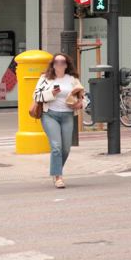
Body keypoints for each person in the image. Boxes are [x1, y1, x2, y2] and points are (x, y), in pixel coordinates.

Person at [33, 52, 84, 189]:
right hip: (50, 115)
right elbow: (36, 95)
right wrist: (52, 93)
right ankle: (58, 177)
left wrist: (80, 104)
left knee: (66, 148)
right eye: (56, 62)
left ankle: (56, 170)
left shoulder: (73, 79)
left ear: (67, 65)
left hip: (67, 115)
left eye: (62, 62)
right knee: (56, 146)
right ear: (53, 65)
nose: (59, 64)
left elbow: (83, 97)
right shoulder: (46, 78)